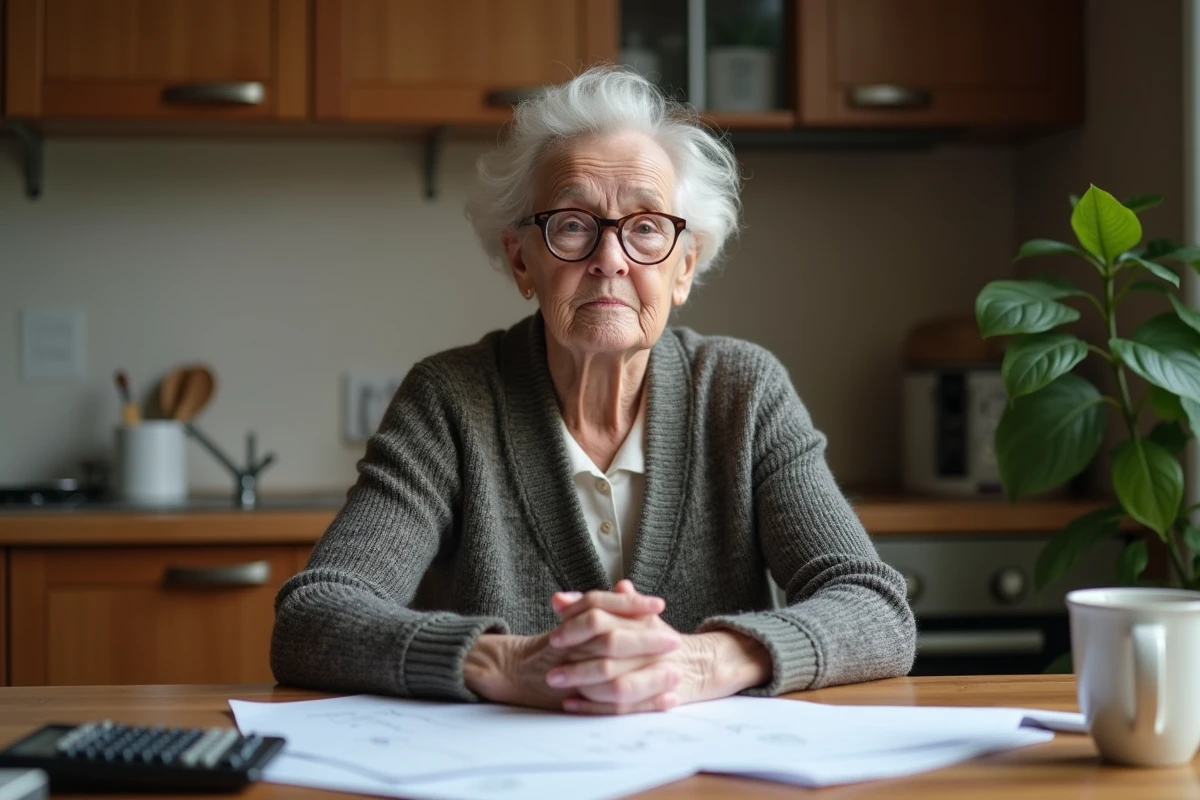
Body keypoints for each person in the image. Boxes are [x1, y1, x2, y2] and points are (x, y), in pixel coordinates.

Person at [271, 67, 915, 715]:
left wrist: (696, 662)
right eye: (574, 224)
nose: (611, 258)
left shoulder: (742, 391)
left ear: (684, 266)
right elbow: (314, 615)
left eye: (645, 227)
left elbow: (876, 607)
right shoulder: (450, 398)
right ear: (523, 260)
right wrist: (510, 661)